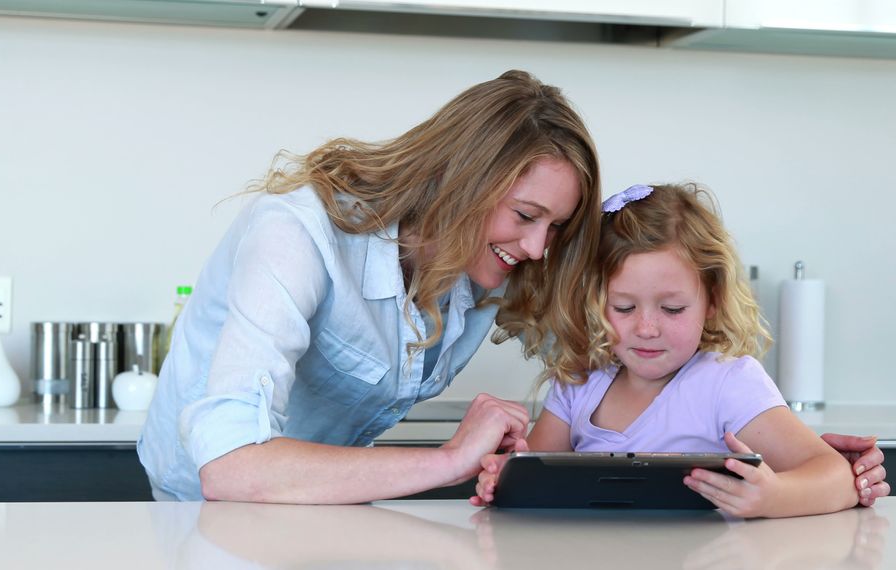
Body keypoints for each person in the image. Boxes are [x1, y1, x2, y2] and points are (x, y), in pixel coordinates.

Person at [139, 70, 888, 505]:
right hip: (203, 512)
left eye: (555, 229)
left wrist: (809, 459)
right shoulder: (293, 237)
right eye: (525, 216)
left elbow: (629, 314)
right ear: (460, 179)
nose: (536, 249)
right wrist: (447, 460)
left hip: (325, 508)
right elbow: (230, 466)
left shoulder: (491, 264)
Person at [471, 183, 887, 517]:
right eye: (624, 307)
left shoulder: (728, 382)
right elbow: (532, 475)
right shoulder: (580, 380)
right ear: (594, 303)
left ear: (713, 301)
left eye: (672, 308)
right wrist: (502, 477)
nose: (647, 328)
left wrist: (773, 498)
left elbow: (833, 474)